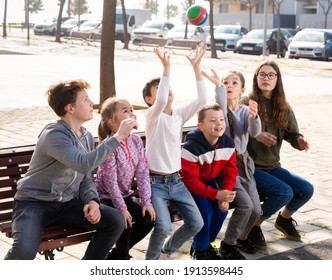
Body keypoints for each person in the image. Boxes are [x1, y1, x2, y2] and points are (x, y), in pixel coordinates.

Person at [4, 79, 136, 260]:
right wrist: (120, 135)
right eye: (86, 99)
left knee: (115, 221)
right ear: (70, 108)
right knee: (24, 251)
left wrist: (92, 201)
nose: (91, 103)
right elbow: (83, 163)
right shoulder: (54, 135)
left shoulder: (86, 136)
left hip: (66, 204)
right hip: (34, 203)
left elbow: (86, 177)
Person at [142, 46, 207, 260]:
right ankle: (149, 263)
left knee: (196, 222)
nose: (166, 89)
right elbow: (161, 101)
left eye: (167, 86)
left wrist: (196, 68)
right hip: (155, 183)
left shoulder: (179, 114)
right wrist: (166, 68)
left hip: (176, 182)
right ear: (150, 100)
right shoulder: (153, 115)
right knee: (163, 226)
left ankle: (167, 250)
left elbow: (202, 100)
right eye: (160, 87)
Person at [241, 59, 314, 250]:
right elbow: (236, 131)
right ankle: (252, 226)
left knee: (306, 189)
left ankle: (284, 220)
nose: (266, 78)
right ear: (256, 78)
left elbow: (292, 134)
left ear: (277, 80)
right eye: (262, 74)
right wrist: (255, 133)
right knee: (283, 192)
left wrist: (300, 141)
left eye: (271, 75)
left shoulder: (283, 107)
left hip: (273, 167)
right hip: (249, 168)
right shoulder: (247, 103)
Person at [201, 69, 262, 259]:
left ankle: (239, 238)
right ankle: (227, 244)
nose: (229, 85)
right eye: (226, 82)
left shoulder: (245, 112)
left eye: (234, 83)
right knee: (245, 206)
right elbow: (220, 100)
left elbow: (253, 132)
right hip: (228, 167)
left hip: (245, 166)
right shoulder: (221, 111)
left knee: (256, 209)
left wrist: (254, 118)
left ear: (242, 90)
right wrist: (218, 86)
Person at [95, 97, 156, 260]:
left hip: (125, 194)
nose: (131, 113)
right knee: (125, 223)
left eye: (131, 110)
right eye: (125, 111)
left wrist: (146, 202)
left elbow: (143, 172)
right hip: (105, 197)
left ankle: (115, 256)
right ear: (112, 122)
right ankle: (122, 258)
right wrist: (122, 209)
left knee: (148, 220)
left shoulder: (136, 141)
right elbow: (110, 182)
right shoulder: (109, 145)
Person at [181, 103, 238, 260]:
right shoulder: (191, 147)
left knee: (222, 211)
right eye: (213, 120)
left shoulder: (227, 143)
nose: (219, 123)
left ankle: (206, 244)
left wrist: (225, 195)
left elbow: (231, 171)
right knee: (205, 213)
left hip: (209, 182)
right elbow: (191, 181)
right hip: (189, 186)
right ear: (201, 126)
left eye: (221, 119)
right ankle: (199, 250)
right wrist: (216, 194)